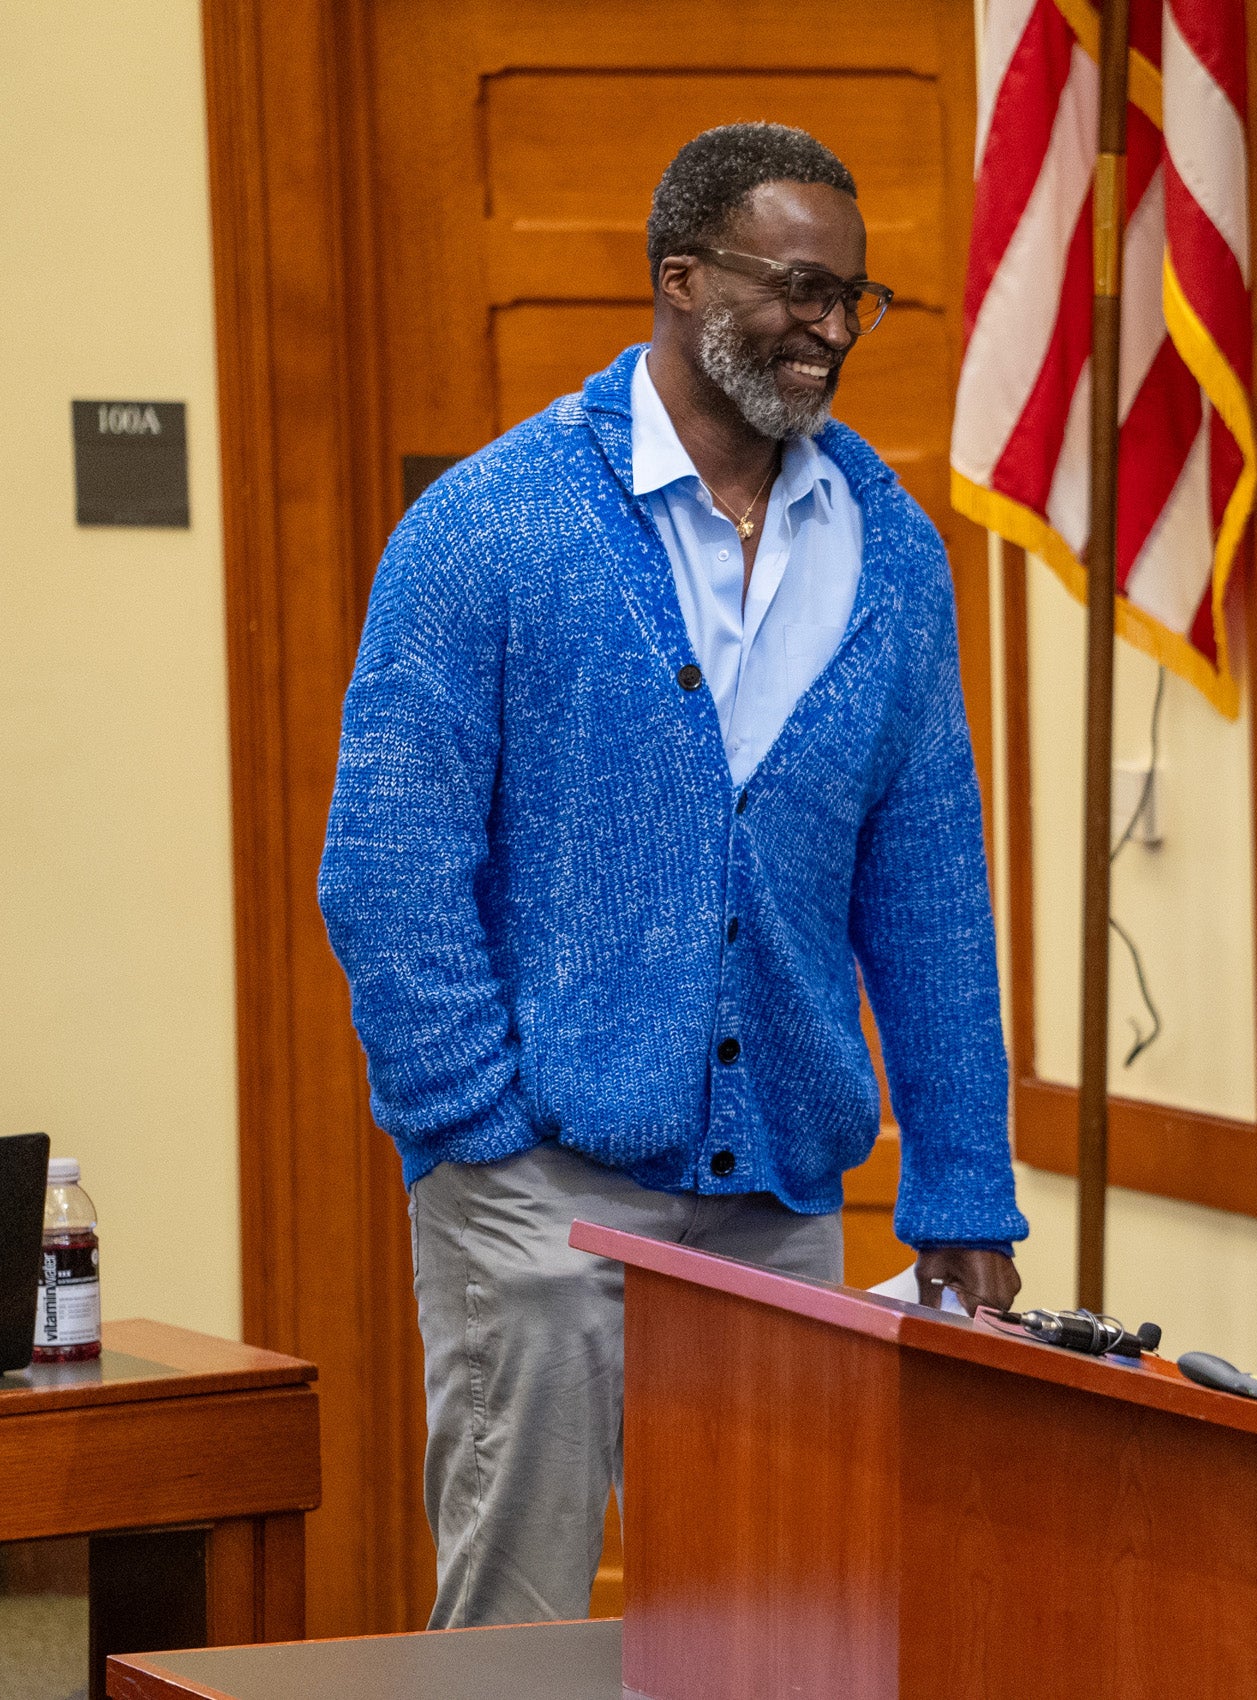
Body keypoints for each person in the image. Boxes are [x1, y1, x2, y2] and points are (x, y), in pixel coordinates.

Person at [318, 122, 1026, 1630]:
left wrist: (963, 1180)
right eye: (795, 288)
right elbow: (385, 870)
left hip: (782, 1196)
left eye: (854, 297)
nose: (829, 328)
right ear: (679, 277)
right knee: (518, 1630)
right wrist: (475, 1137)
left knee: (785, 1627)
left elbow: (929, 892)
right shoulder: (491, 527)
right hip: (541, 1187)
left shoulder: (890, 553)